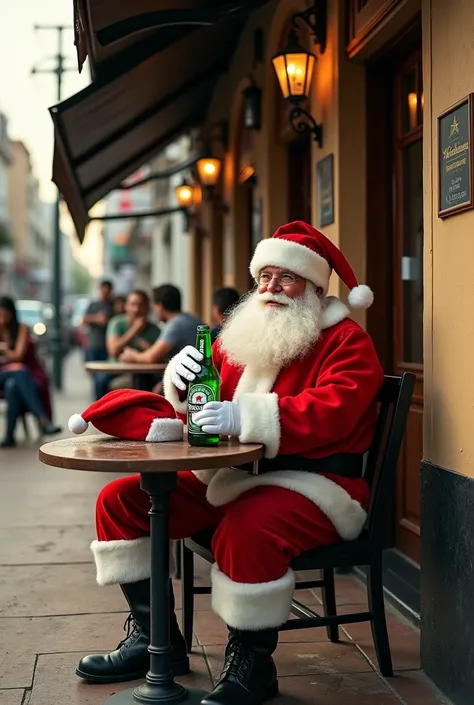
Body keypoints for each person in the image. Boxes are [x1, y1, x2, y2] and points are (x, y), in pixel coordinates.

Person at [75, 221, 384, 705]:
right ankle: (156, 640)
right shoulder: (242, 333)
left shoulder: (347, 341)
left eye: (286, 278)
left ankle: (253, 665)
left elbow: (335, 411)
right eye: (264, 277)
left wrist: (250, 416)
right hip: (229, 476)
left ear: (316, 287)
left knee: (246, 528)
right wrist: (176, 382)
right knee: (120, 501)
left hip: (315, 483)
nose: (270, 288)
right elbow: (201, 403)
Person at [0, 296, 61, 447]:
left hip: (23, 375)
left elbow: (19, 356)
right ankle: (43, 419)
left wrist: (5, 352)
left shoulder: (22, 328)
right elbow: (16, 359)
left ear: (11, 314)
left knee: (13, 386)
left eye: (4, 314)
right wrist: (10, 358)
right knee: (20, 371)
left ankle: (9, 437)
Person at [93, 290, 160, 400]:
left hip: (146, 371)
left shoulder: (155, 330)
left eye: (141, 305)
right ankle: (98, 415)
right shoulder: (116, 323)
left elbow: (158, 355)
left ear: (148, 307)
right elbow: (113, 351)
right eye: (133, 304)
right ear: (126, 306)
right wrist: (134, 330)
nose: (136, 309)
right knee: (101, 381)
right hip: (117, 369)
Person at [120, 284, 203, 365]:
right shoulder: (194, 319)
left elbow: (150, 358)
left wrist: (132, 356)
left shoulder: (175, 325)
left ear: (159, 306)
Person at [83, 280, 114, 364]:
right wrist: (97, 319)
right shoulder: (93, 304)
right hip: (94, 343)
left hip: (108, 344)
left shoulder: (113, 305)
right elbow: (84, 319)